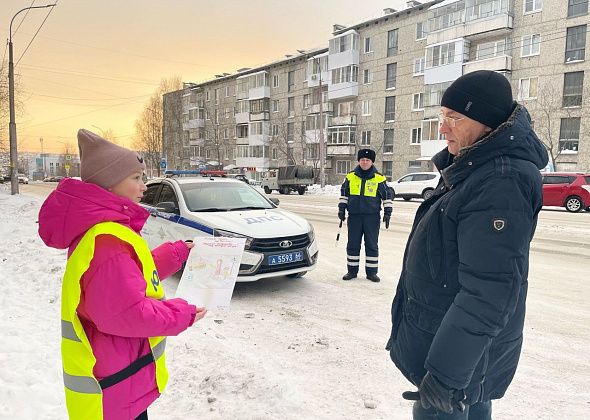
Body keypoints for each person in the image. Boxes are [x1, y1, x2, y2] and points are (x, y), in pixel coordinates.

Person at [385, 70, 548, 419]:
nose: (442, 128)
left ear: (486, 123)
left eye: (454, 118)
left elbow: (489, 291)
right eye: (442, 117)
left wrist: (445, 376)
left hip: (453, 363)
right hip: (456, 350)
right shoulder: (473, 168)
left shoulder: (498, 180)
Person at [38, 129, 207, 420]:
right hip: (113, 385)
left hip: (116, 374)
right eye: (136, 178)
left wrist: (179, 252)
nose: (144, 186)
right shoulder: (107, 241)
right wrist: (183, 313)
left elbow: (128, 276)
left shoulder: (107, 230)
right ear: (111, 183)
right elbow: (128, 312)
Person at [338, 148, 393, 282]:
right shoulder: (350, 177)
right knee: (353, 245)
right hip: (355, 217)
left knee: (372, 245)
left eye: (367, 160)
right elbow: (344, 195)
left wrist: (387, 213)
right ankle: (351, 271)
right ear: (358, 161)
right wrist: (341, 209)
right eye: (362, 159)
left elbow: (387, 196)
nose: (365, 162)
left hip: (372, 218)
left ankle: (371, 273)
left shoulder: (379, 178)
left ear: (372, 162)